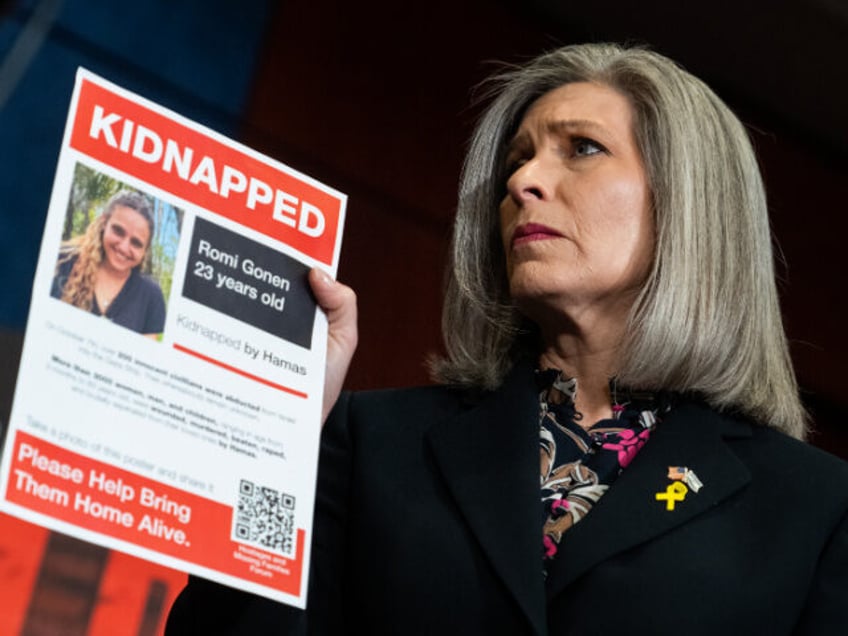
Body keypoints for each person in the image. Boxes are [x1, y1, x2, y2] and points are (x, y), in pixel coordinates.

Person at [166, 43, 848, 634]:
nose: (523, 181)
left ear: (688, 202)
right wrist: (272, 444)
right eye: (518, 159)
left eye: (582, 149)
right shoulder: (371, 440)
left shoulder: (816, 508)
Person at [51, 189, 166, 337]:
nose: (124, 247)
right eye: (118, 231)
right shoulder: (61, 259)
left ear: (145, 250)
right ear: (104, 223)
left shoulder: (151, 296)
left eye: (136, 243)